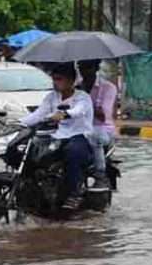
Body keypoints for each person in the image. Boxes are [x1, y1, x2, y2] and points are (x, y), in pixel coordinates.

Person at [20, 63, 96, 211]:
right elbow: (39, 114)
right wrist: (19, 123)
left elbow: (79, 110)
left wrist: (66, 114)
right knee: (34, 151)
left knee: (73, 153)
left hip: (79, 136)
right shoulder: (51, 97)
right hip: (57, 136)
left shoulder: (82, 97)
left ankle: (74, 194)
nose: (56, 82)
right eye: (54, 79)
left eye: (59, 79)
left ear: (71, 80)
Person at [78, 59, 117, 192]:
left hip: (102, 129)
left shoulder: (108, 88)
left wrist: (86, 102)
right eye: (81, 67)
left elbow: (103, 115)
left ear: (96, 68)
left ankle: (100, 176)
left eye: (87, 67)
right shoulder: (75, 87)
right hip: (79, 128)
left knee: (94, 136)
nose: (83, 72)